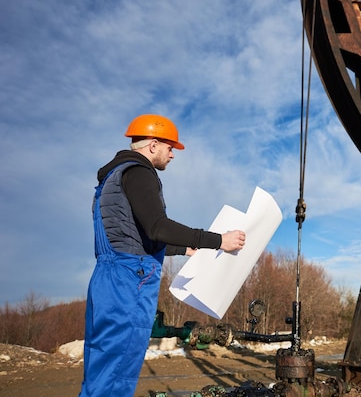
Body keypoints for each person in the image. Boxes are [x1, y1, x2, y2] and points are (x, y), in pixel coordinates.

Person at [79, 114, 246, 397]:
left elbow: (133, 236)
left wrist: (184, 249)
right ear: (153, 145)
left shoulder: (111, 179)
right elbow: (158, 227)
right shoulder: (139, 172)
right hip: (130, 284)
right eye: (170, 147)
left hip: (108, 280)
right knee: (117, 376)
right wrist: (219, 241)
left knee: (101, 371)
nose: (173, 154)